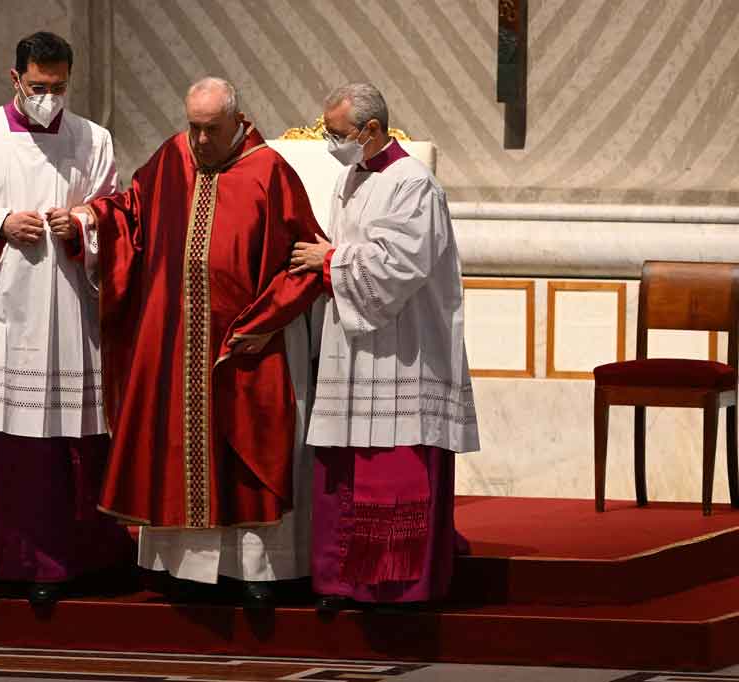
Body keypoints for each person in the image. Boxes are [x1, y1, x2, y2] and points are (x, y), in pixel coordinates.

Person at [60, 77, 323, 607]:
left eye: (212, 130)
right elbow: (131, 212)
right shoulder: (173, 157)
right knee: (177, 448)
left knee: (245, 451)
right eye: (194, 128)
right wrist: (92, 220)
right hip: (176, 343)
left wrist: (267, 321)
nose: (200, 141)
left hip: (246, 345)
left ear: (238, 122)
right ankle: (181, 568)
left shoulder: (270, 172)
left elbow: (307, 256)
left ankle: (257, 571)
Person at [0, 31, 133, 605]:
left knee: (64, 441)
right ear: (15, 78)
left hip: (65, 309)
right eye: (38, 87)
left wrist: (84, 225)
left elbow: (116, 212)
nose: (49, 97)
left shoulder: (93, 138)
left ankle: (63, 560)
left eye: (60, 87)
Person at [290, 82, 479, 610]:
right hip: (354, 344)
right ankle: (340, 580)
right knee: (345, 461)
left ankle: (393, 586)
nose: (330, 142)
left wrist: (329, 262)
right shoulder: (351, 177)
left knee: (390, 464)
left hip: (403, 347)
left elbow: (401, 265)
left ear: (371, 130)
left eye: (337, 133)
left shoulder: (413, 183)